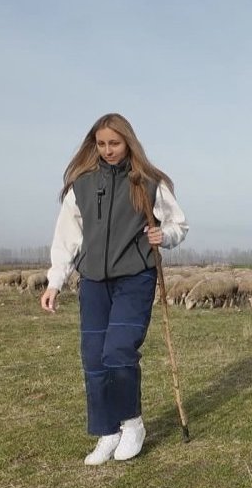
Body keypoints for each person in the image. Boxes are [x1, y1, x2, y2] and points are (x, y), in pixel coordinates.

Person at [40, 113, 188, 465]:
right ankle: (108, 432)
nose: (108, 150)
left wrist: (163, 236)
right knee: (94, 357)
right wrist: (54, 281)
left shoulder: (148, 182)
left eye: (115, 144)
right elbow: (67, 237)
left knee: (118, 350)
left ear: (128, 143)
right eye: (102, 144)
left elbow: (178, 224)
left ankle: (133, 423)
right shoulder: (82, 185)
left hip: (135, 276)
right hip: (92, 281)